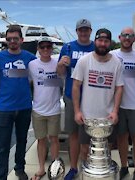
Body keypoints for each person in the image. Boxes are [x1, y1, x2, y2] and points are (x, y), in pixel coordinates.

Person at [0, 25, 36, 180]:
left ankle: (19, 168)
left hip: (24, 107)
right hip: (4, 108)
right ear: (6, 40)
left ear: (21, 40)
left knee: (22, 141)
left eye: (16, 38)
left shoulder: (30, 58)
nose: (12, 41)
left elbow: (41, 76)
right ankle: (1, 175)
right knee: (3, 145)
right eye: (9, 39)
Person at [72, 28, 124, 162]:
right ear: (95, 41)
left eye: (106, 41)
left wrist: (115, 111)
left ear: (110, 43)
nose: (102, 44)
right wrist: (77, 111)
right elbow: (76, 86)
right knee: (84, 149)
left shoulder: (117, 63)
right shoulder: (84, 61)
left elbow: (119, 88)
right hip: (87, 116)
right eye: (100, 40)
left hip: (107, 117)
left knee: (107, 150)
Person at [56, 18, 95, 180]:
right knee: (73, 134)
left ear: (90, 31)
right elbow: (59, 73)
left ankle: (86, 165)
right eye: (81, 30)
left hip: (92, 97)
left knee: (89, 135)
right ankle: (73, 168)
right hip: (72, 96)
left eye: (86, 29)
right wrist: (61, 64)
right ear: (77, 31)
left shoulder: (95, 47)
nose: (84, 32)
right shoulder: (68, 47)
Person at [110, 27, 135, 180]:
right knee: (121, 137)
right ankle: (124, 166)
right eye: (124, 35)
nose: (127, 38)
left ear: (134, 39)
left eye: (130, 36)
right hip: (117, 105)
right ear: (119, 37)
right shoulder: (112, 55)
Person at [29, 37, 62, 180]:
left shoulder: (58, 64)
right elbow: (25, 81)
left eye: (48, 47)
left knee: (54, 138)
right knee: (41, 140)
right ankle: (42, 168)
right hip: (37, 109)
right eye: (42, 47)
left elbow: (64, 80)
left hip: (54, 108)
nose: (46, 49)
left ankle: (54, 168)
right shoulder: (32, 65)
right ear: (38, 49)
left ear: (52, 48)